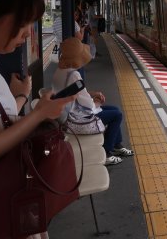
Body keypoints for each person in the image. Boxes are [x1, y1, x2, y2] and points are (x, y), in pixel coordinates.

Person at [0, 0, 77, 238]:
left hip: (3, 202)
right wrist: (38, 113)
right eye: (22, 23)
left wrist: (19, 99)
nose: (27, 33)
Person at [53, 37, 133, 165]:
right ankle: (106, 153)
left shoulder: (59, 72)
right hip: (76, 120)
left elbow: (75, 93)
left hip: (67, 114)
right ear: (76, 59)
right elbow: (87, 105)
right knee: (116, 115)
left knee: (115, 110)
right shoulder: (74, 75)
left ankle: (117, 145)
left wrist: (93, 94)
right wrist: (96, 103)